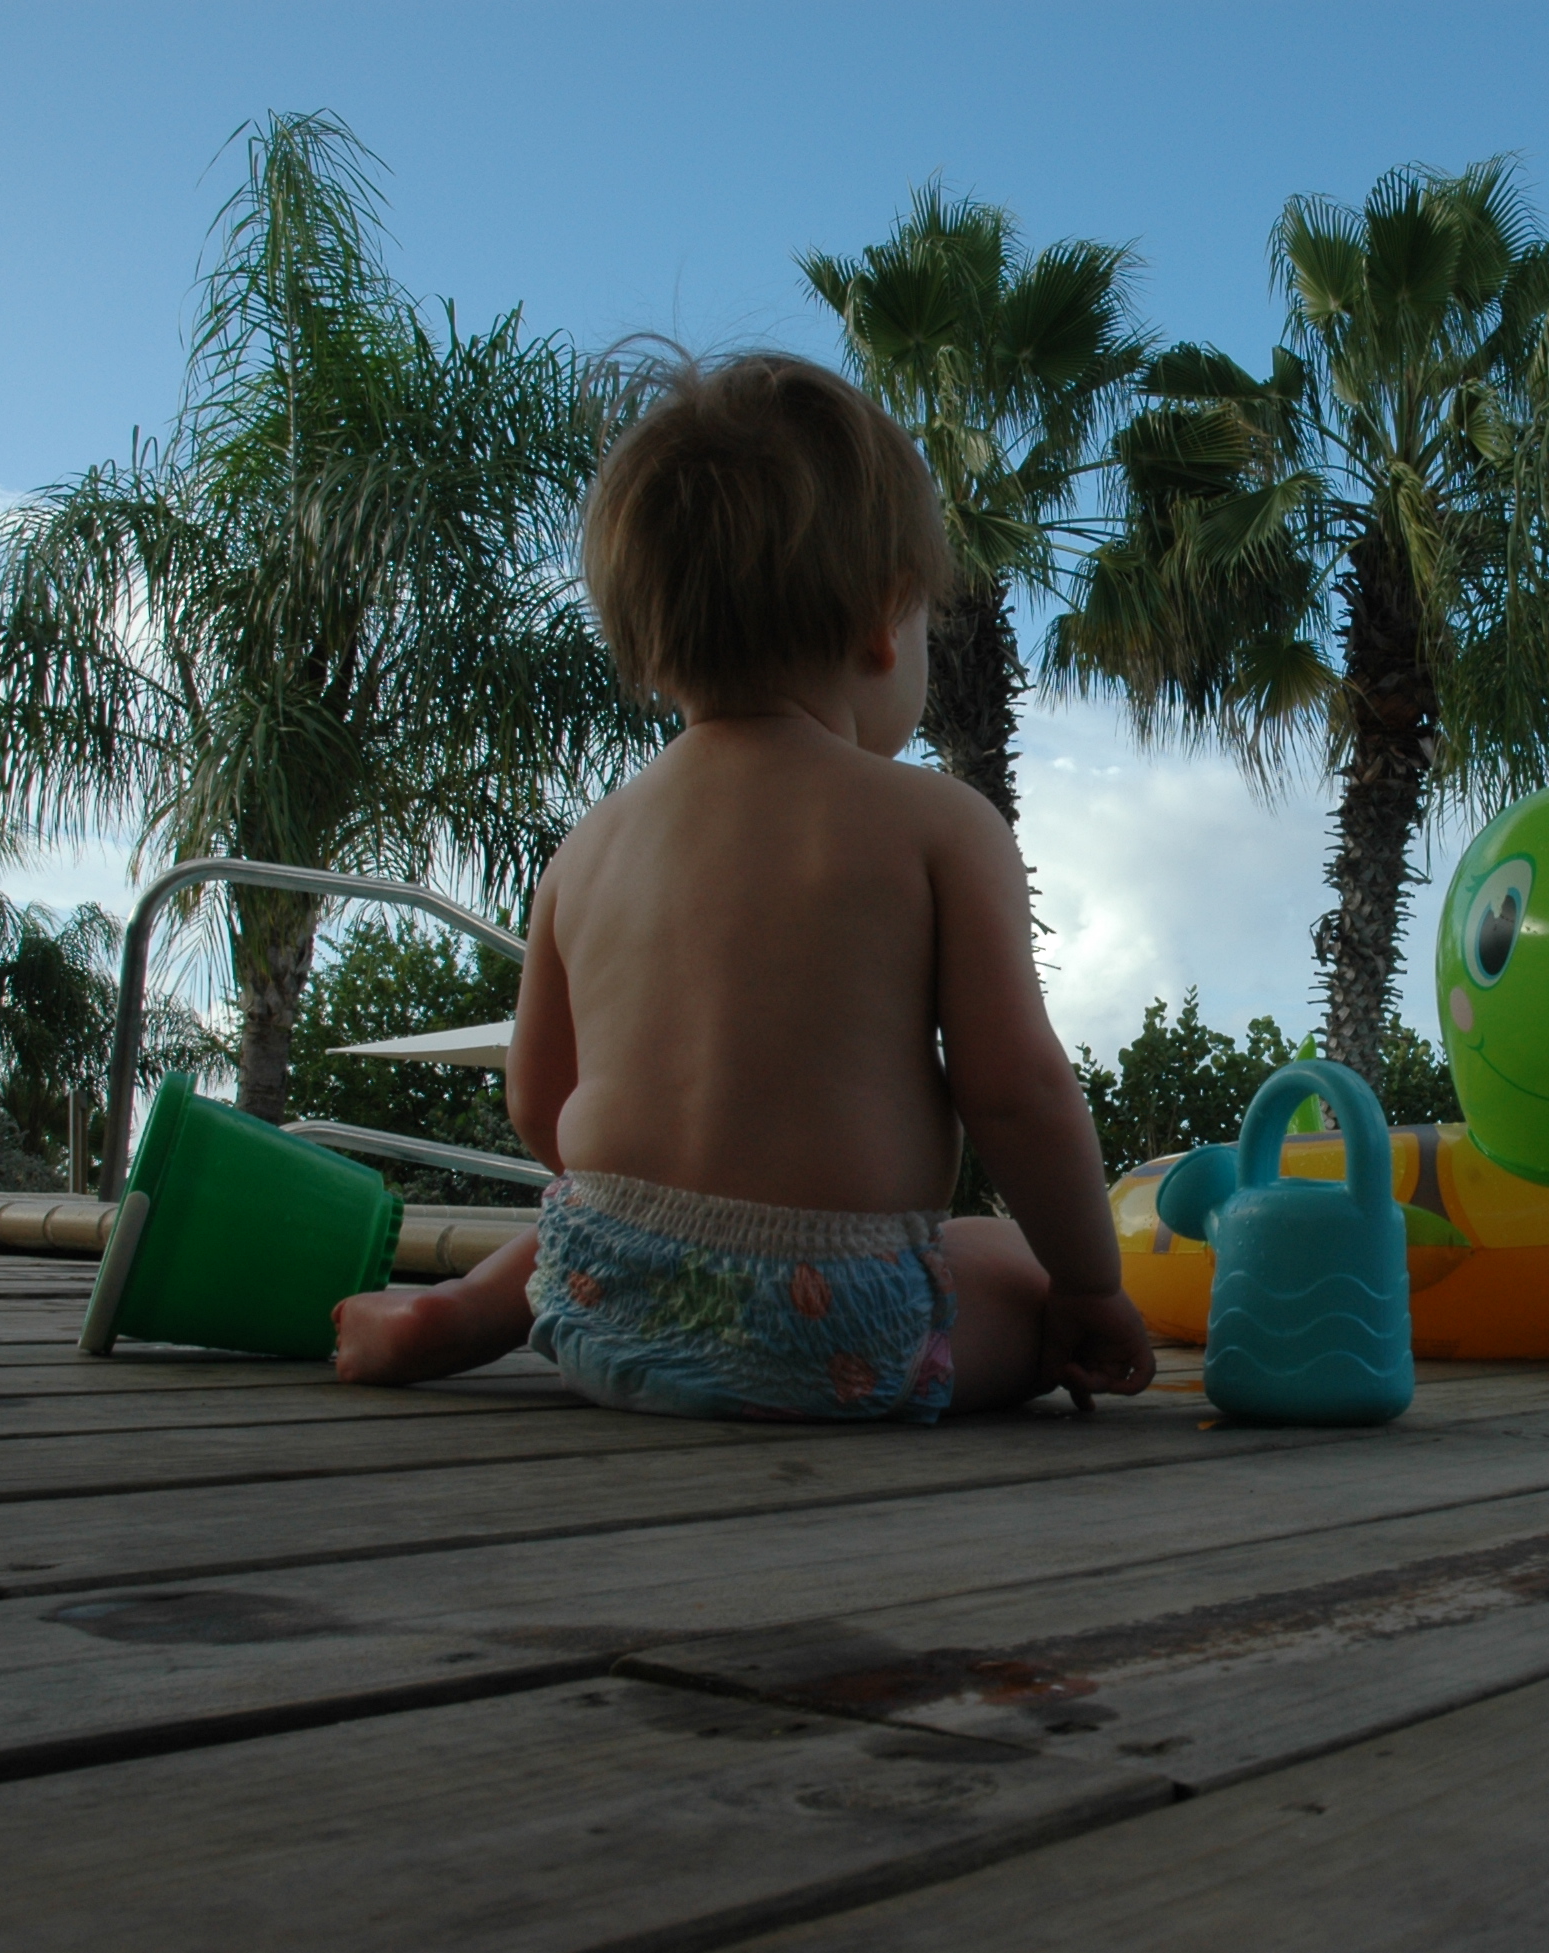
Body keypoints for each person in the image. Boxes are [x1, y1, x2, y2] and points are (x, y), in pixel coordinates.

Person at [330, 352, 1155, 1420]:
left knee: (598, 1203)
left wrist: (673, 1200)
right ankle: (1017, 1302)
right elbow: (1015, 1090)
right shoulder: (939, 822)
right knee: (1002, 1254)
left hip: (601, 1304)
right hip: (833, 1334)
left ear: (646, 643)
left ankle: (448, 1313)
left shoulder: (587, 847)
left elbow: (541, 1105)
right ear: (883, 615)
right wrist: (1087, 1284)